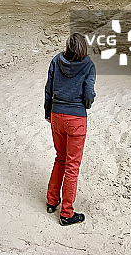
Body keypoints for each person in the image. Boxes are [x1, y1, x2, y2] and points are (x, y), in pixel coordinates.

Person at [44, 32, 96, 226]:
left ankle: (51, 201)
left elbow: (48, 89)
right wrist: (86, 104)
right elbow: (89, 94)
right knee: (72, 166)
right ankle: (66, 213)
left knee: (60, 158)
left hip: (57, 114)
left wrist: (48, 112)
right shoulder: (89, 66)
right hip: (76, 118)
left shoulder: (56, 61)